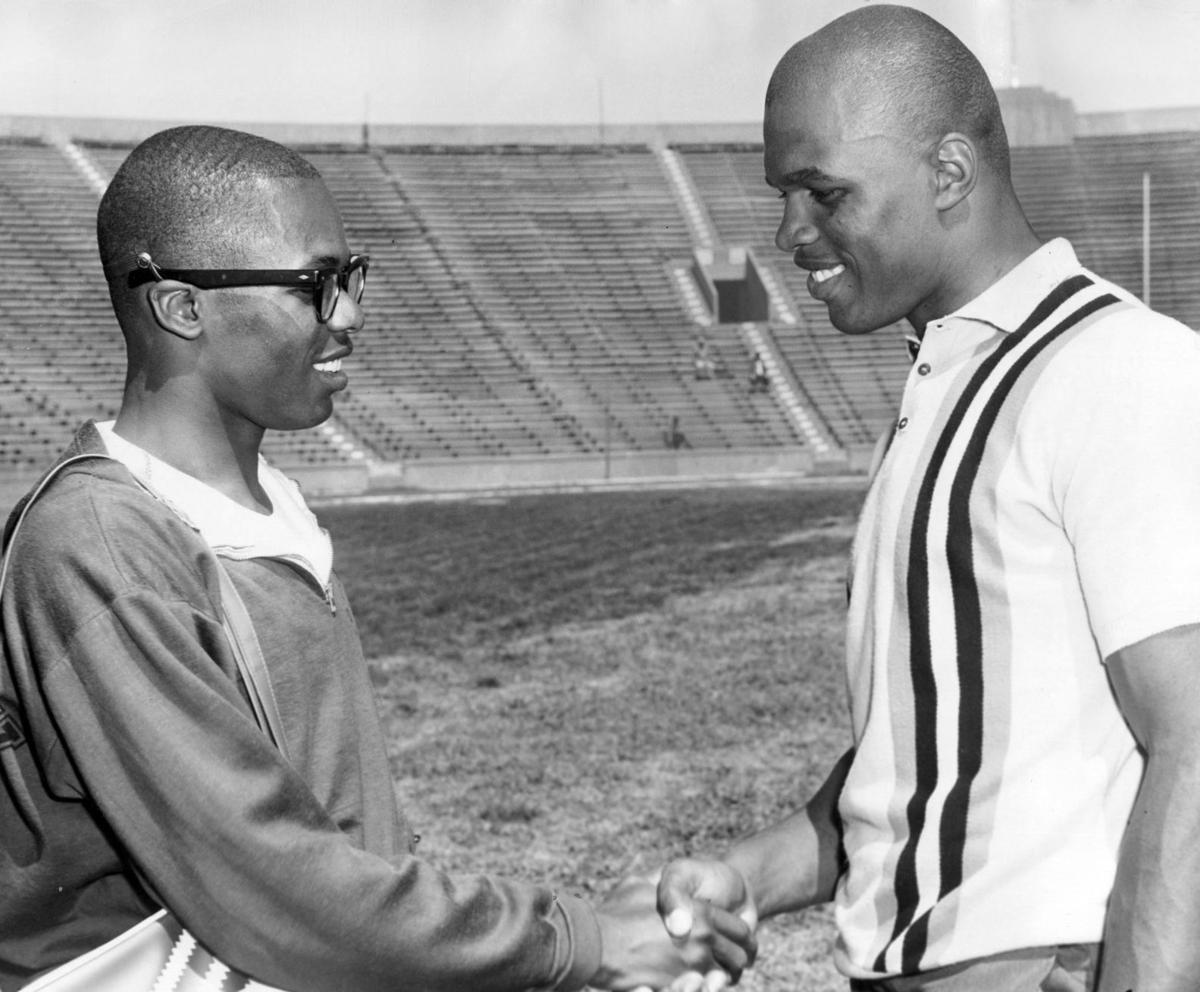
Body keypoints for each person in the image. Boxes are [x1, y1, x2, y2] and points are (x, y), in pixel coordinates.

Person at [0, 125, 753, 991]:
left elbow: (339, 841)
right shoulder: (102, 547)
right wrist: (578, 942)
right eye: (314, 285)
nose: (349, 314)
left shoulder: (266, 503)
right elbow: (274, 885)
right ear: (182, 308)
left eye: (351, 278)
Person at [656, 6, 1200, 992]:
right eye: (786, 195)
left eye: (824, 192)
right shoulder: (944, 384)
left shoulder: (1116, 368)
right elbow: (937, 747)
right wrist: (753, 869)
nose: (790, 232)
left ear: (949, 173)